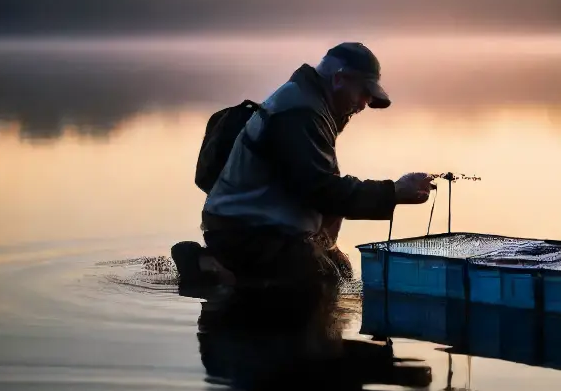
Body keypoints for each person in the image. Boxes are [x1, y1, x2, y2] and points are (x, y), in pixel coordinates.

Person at [174, 42, 433, 293]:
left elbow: (324, 188)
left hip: (265, 223)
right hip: (243, 229)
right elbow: (320, 190)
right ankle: (208, 265)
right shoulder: (300, 113)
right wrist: (394, 192)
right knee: (317, 280)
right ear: (340, 79)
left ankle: (240, 270)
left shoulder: (312, 103)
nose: (364, 103)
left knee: (339, 270)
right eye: (363, 92)